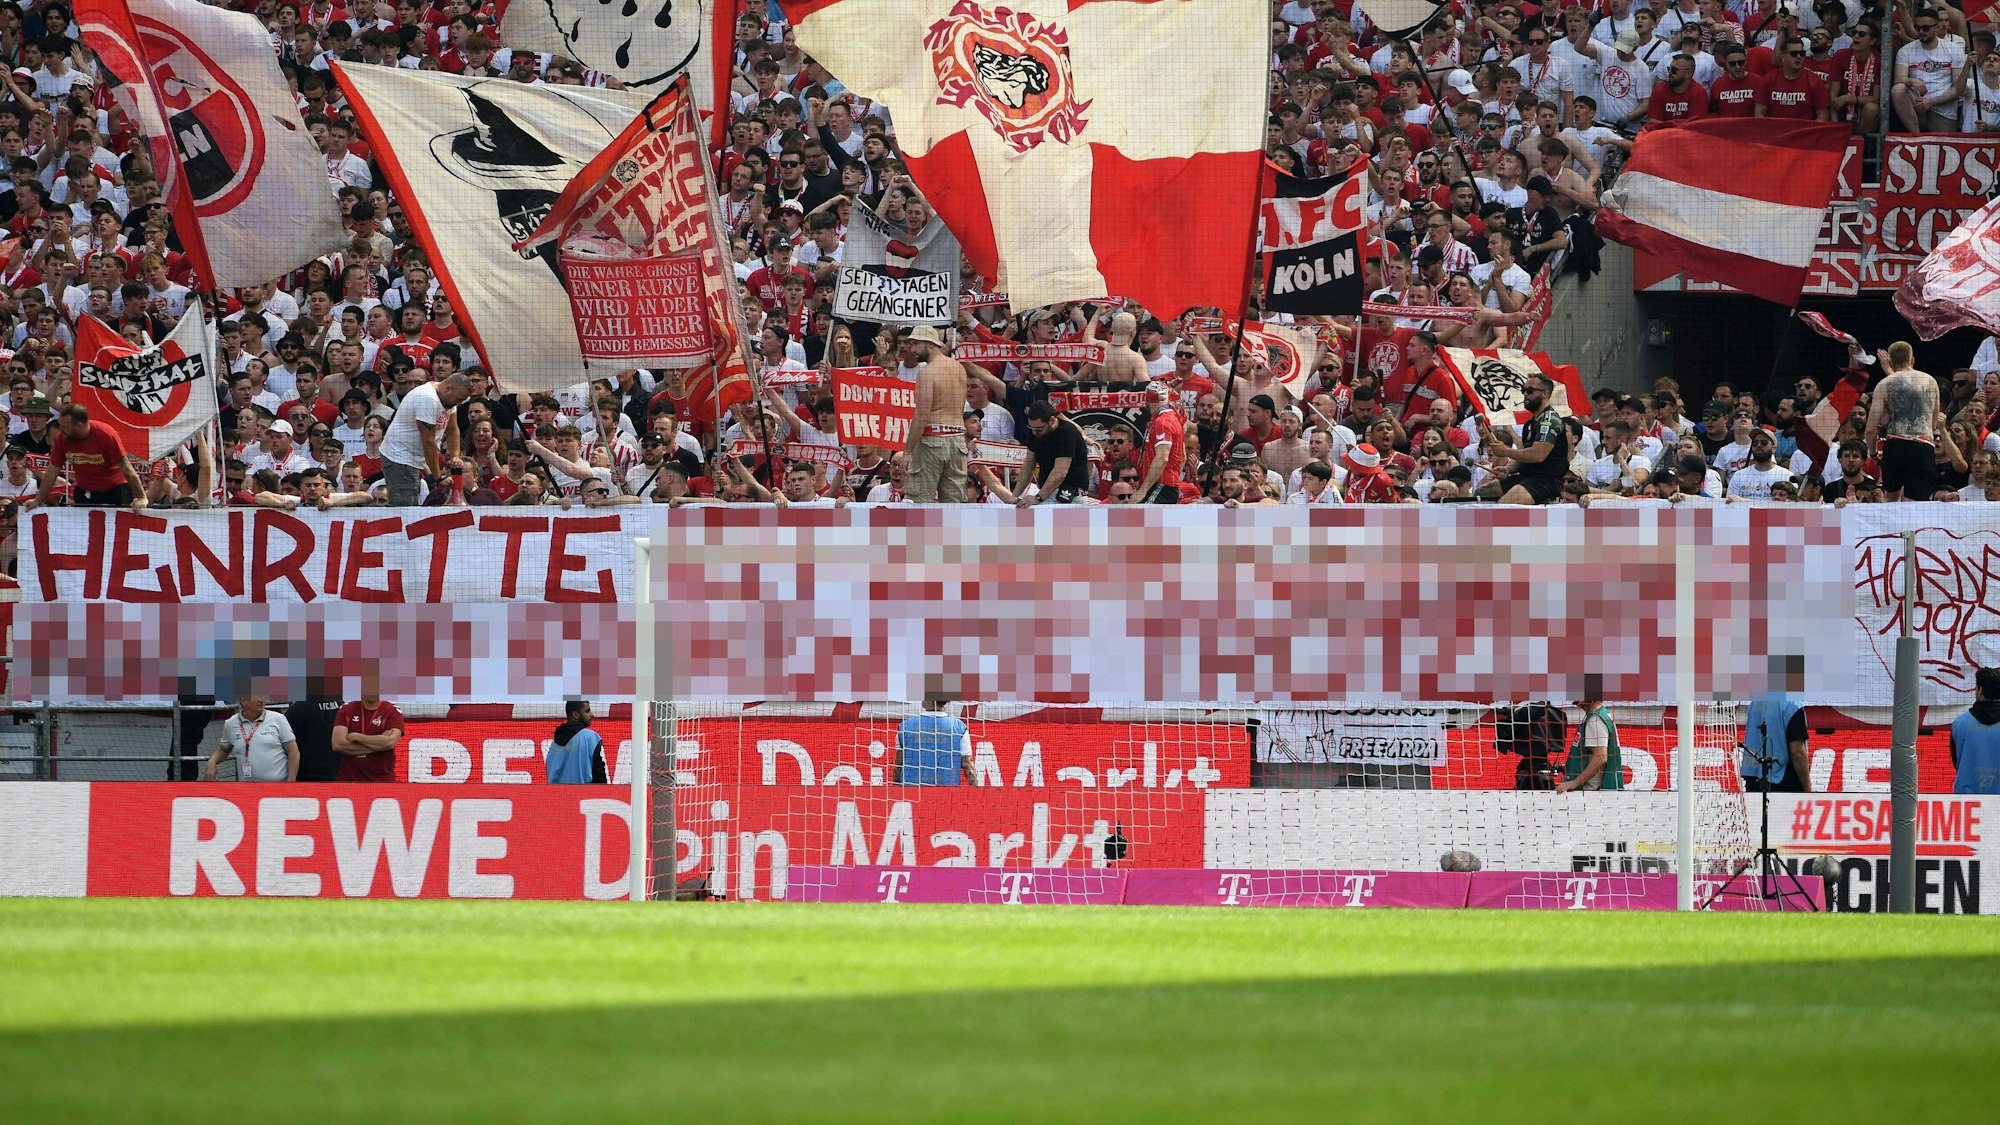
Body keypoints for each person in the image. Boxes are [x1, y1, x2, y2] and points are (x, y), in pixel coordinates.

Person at [381, 371, 473, 505]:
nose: (458, 403)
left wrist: (455, 456)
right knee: (405, 506)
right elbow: (428, 441)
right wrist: (438, 477)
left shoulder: (448, 400)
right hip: (400, 456)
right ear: (449, 389)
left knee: (410, 502)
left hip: (412, 457)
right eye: (458, 399)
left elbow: (453, 429)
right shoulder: (428, 399)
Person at [1864, 342, 1941, 502]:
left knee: (1891, 500)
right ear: (1912, 360)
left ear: (1890, 363)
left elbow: (1871, 428)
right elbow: (1934, 425)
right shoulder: (1930, 381)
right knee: (1917, 503)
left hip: (1896, 447)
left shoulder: (1884, 384)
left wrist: (1873, 453)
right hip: (1923, 446)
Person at [899, 325, 967, 502]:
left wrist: (907, 453)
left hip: (932, 441)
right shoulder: (959, 368)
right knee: (955, 507)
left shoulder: (927, 373)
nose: (912, 349)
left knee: (919, 503)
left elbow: (921, 415)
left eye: (915, 343)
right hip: (957, 440)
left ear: (930, 344)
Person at [36, 403, 146, 509]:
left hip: (116, 489)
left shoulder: (105, 434)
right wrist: (38, 499)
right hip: (85, 490)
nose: (61, 431)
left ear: (79, 425)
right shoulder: (63, 438)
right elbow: (52, 471)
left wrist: (141, 497)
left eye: (64, 427)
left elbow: (126, 466)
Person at [1482, 375, 1569, 504]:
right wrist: (1508, 469)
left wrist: (1506, 451)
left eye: (1530, 391)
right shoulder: (1530, 424)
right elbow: (1523, 456)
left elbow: (1537, 455)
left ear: (1545, 394)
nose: (1525, 395)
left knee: (1503, 507)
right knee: (1482, 492)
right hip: (1526, 478)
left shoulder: (1549, 420)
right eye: (1523, 390)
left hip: (1546, 482)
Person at [1742, 664, 1811, 793]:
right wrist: (1807, 786)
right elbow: (1797, 753)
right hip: (1783, 783)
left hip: (1753, 779)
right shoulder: (1793, 704)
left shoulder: (1755, 702)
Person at [203, 694, 299, 783]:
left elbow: (293, 752)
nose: (261, 700)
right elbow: (223, 749)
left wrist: (291, 782)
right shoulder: (230, 723)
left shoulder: (278, 719)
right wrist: (212, 761)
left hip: (278, 788)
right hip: (248, 791)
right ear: (243, 701)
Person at [1015, 399, 1089, 505]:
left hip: (1070, 494)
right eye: (1031, 428)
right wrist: (1015, 496)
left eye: (1039, 429)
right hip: (1047, 492)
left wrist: (1038, 498)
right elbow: (1028, 465)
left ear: (1052, 421)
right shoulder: (1035, 431)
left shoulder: (1067, 433)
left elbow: (1060, 472)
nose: (1034, 432)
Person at [896, 694, 973, 785]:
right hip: (948, 792)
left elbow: (899, 764)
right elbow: (968, 765)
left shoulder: (905, 726)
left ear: (930, 700)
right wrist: (977, 793)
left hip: (911, 792)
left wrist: (896, 790)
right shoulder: (959, 727)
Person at [1557, 685, 1621, 792]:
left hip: (1590, 793)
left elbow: (1600, 758)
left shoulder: (1595, 720)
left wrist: (1574, 783)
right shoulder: (1600, 716)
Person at [332, 690, 406, 783]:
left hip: (382, 780)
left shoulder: (392, 710)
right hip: (349, 780)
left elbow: (390, 742)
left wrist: (357, 736)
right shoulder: (346, 709)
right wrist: (379, 745)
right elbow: (338, 745)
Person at [285, 675, 345, 783]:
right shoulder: (341, 704)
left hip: (308, 776)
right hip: (338, 773)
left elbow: (284, 738)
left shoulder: (300, 707)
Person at [1950, 667, 2000, 794]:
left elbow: (1957, 762)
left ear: (1980, 690)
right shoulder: (1960, 722)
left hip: (1967, 802)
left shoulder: (1960, 723)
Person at [546, 699, 607, 784]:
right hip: (584, 794)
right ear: (575, 714)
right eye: (587, 711)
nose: (592, 715)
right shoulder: (590, 737)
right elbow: (599, 773)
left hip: (557, 795)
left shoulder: (554, 744)